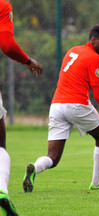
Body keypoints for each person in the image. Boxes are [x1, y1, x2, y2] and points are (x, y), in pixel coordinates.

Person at [23, 24, 99, 193]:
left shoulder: (72, 50)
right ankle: (96, 183)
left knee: (53, 158)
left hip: (56, 105)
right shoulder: (95, 58)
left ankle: (34, 167)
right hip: (76, 104)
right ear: (93, 39)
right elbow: (98, 94)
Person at [0, 0, 43, 215]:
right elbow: (7, 45)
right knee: (0, 144)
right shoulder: (2, 5)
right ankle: (1, 190)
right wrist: (26, 60)